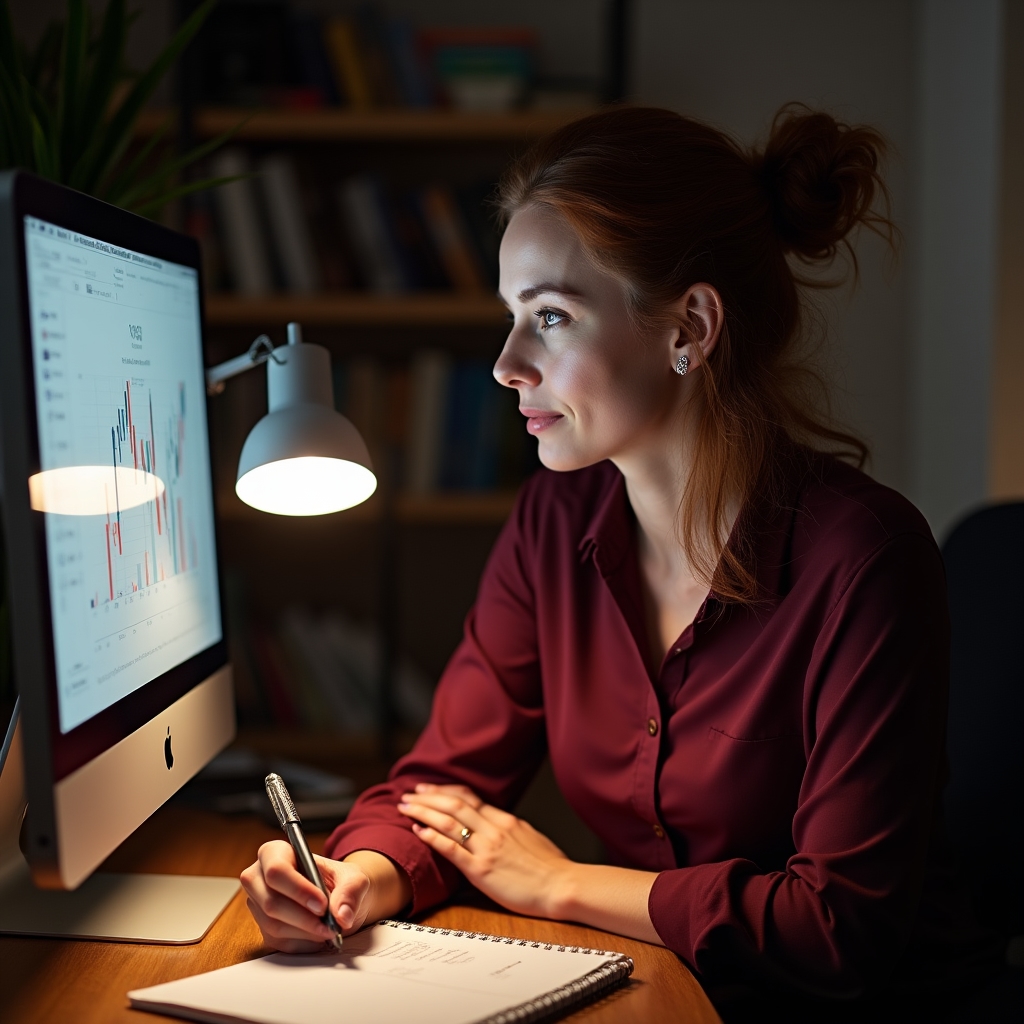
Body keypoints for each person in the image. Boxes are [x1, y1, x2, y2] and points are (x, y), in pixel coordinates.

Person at [241, 106, 1003, 1020]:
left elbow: (837, 927)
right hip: (666, 991)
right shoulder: (551, 523)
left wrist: (560, 886)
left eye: (551, 316)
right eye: (511, 317)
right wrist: (353, 878)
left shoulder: (864, 559)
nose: (506, 364)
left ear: (691, 327)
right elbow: (446, 790)